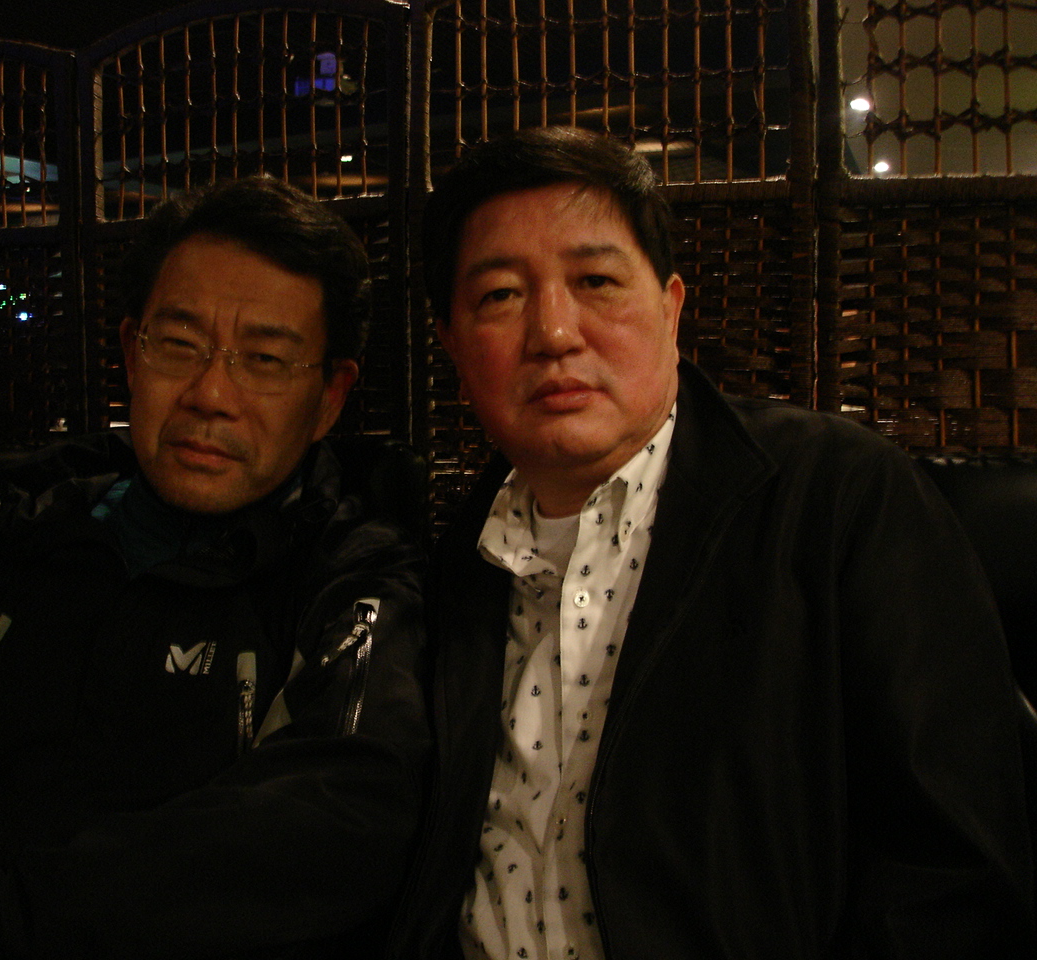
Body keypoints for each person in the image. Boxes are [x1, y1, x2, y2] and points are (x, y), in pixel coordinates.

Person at [386, 126, 1034, 959]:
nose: (553, 332)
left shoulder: (835, 498)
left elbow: (955, 873)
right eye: (501, 295)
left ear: (671, 307)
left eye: (595, 281)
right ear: (450, 342)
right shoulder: (448, 569)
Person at [0, 176, 428, 960]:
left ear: (329, 397)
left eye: (266, 360)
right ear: (130, 353)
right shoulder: (4, 541)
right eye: (178, 344)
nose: (211, 393)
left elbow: (324, 820)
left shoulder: (353, 579)